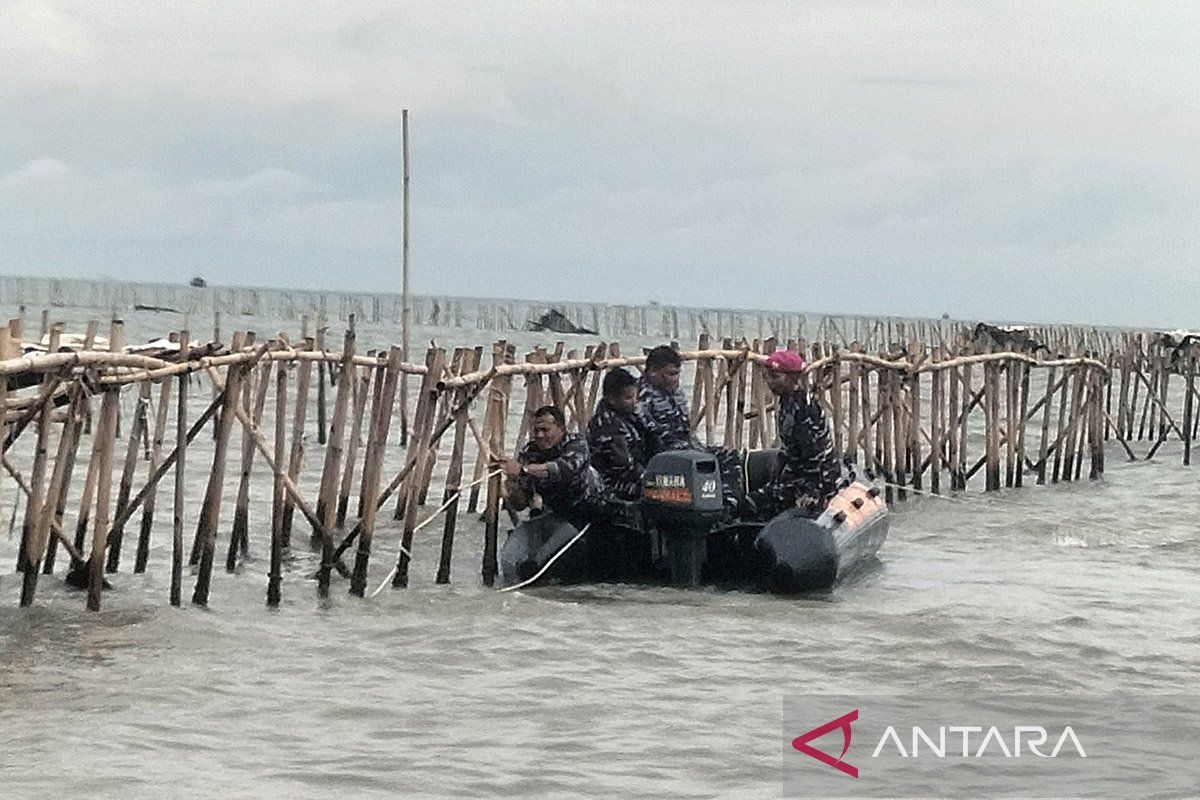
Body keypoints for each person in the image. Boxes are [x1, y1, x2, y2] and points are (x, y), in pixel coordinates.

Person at [636, 344, 745, 512]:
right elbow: (651, 433)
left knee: (729, 455)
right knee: (707, 461)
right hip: (666, 453)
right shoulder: (643, 397)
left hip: (687, 446)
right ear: (653, 372)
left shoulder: (674, 393)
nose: (675, 379)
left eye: (677, 374)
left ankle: (728, 504)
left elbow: (686, 427)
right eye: (671, 374)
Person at [746, 350, 841, 519]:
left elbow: (814, 455)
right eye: (767, 376)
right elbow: (789, 451)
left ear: (792, 378)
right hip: (796, 474)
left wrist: (811, 493)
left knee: (751, 503)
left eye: (775, 377)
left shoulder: (803, 408)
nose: (769, 382)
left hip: (815, 480)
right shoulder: (787, 402)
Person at [501, 404, 603, 528]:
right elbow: (520, 505)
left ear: (561, 428)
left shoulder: (577, 444)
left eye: (545, 430)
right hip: (555, 513)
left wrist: (523, 469)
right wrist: (513, 481)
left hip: (588, 508)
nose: (539, 435)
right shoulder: (529, 452)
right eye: (536, 430)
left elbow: (561, 469)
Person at [587, 368, 656, 501]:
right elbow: (624, 467)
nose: (634, 402)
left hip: (636, 476)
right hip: (614, 487)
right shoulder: (607, 425)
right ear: (612, 399)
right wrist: (657, 477)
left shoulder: (630, 416)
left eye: (634, 396)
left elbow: (655, 436)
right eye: (628, 398)